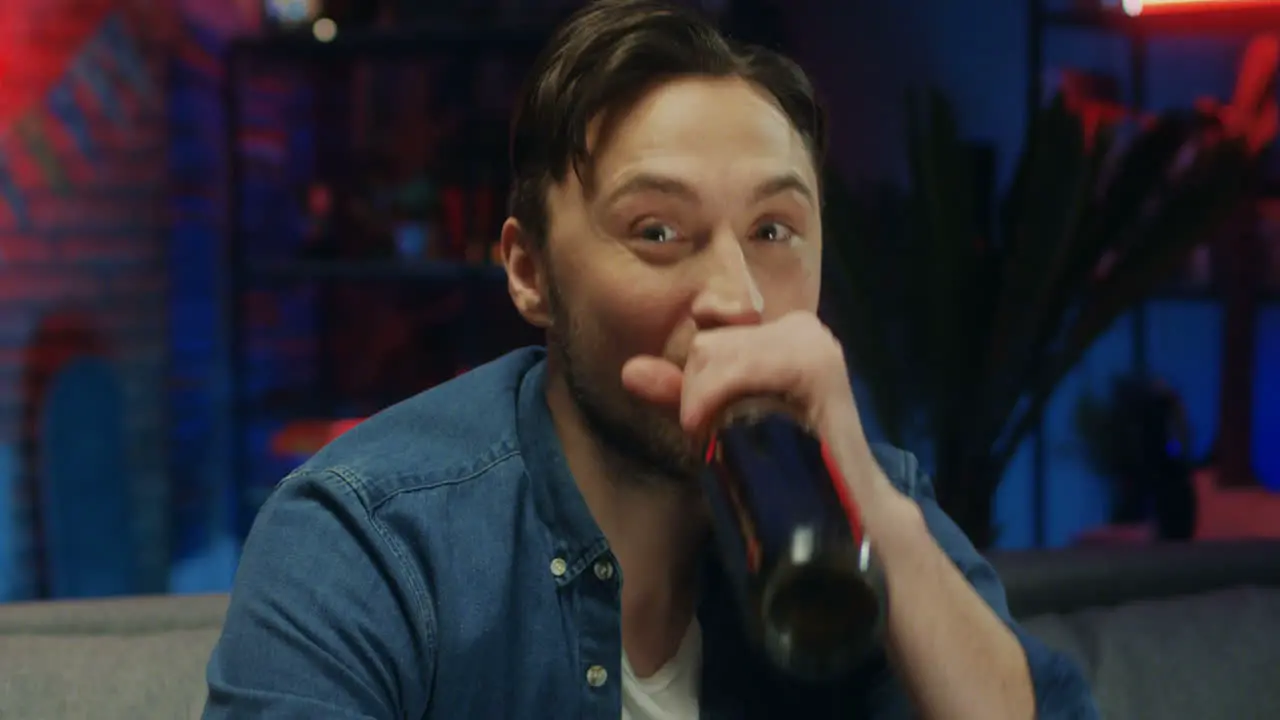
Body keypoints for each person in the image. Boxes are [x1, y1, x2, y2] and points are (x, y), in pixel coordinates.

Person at [204, 1, 1098, 717]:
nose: (736, 297)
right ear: (530, 273)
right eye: (658, 231)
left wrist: (874, 507)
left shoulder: (871, 499)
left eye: (774, 230)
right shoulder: (368, 534)